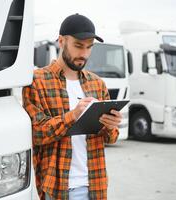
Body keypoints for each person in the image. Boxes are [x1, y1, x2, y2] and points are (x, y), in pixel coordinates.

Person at [22, 14, 122, 200]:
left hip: (96, 185)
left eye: (89, 47)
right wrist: (74, 115)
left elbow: (112, 138)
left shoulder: (97, 84)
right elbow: (36, 134)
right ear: (61, 41)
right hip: (58, 187)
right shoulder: (37, 81)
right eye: (78, 45)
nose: (84, 54)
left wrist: (111, 126)